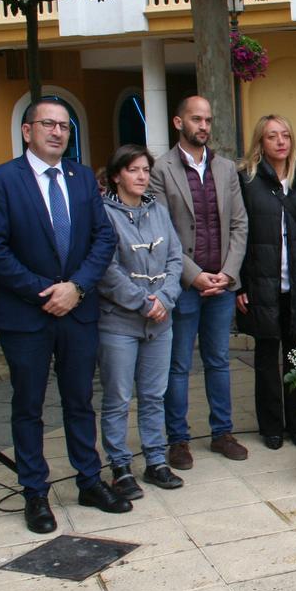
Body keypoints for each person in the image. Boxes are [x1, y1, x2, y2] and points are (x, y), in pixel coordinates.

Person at [0, 100, 130, 533]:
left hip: (77, 311)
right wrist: (44, 291)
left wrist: (76, 288)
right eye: (48, 124)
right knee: (28, 405)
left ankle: (88, 481)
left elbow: (103, 239)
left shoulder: (82, 179)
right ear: (27, 131)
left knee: (80, 401)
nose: (57, 132)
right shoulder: (2, 181)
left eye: (64, 126)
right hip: (27, 314)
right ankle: (35, 493)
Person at [150, 95, 250, 468]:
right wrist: (194, 276)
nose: (203, 126)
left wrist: (228, 273)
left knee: (219, 360)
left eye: (208, 119)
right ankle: (178, 439)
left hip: (222, 284)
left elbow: (240, 223)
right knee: (178, 365)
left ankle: (222, 432)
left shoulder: (226, 169)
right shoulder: (161, 170)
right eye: (196, 119)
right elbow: (163, 230)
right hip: (183, 285)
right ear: (179, 123)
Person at [236, 115, 296, 449]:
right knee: (265, 357)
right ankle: (271, 427)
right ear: (260, 142)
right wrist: (240, 284)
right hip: (261, 282)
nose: (280, 141)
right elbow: (239, 236)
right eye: (272, 136)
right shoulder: (245, 180)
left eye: (286, 135)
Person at [97, 144, 186, 499]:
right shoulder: (103, 214)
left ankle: (155, 460)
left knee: (153, 395)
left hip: (160, 321)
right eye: (133, 170)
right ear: (117, 175)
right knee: (118, 397)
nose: (141, 176)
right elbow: (106, 268)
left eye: (145, 170)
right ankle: (120, 466)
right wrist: (140, 302)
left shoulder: (159, 211)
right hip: (119, 321)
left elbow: (176, 259)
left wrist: (164, 299)